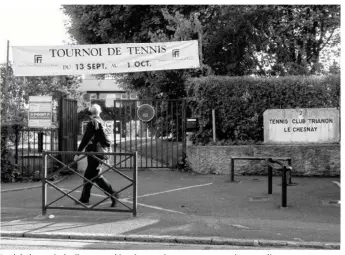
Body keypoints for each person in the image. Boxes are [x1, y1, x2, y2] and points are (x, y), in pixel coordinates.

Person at [74, 104, 118, 207]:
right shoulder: (102, 122)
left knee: (95, 176)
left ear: (90, 113)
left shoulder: (92, 123)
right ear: (99, 112)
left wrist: (78, 153)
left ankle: (113, 194)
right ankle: (84, 199)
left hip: (95, 153)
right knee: (91, 176)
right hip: (100, 152)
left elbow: (86, 138)